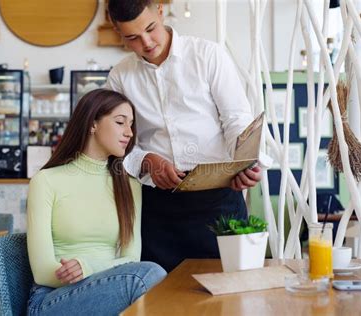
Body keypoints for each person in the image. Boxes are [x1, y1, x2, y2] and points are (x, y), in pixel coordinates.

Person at [106, 0, 264, 272]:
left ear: (159, 10)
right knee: (160, 299)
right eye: (132, 37)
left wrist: (244, 161)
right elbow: (115, 143)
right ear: (117, 32)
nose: (146, 43)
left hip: (220, 199)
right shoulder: (120, 77)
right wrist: (147, 161)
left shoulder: (208, 55)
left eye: (150, 29)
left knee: (227, 298)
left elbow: (236, 119)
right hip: (159, 209)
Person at [26, 89, 166, 316]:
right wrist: (82, 272)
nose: (129, 133)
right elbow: (42, 272)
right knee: (150, 275)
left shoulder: (129, 185)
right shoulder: (46, 181)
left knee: (152, 278)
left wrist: (89, 268)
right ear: (92, 124)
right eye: (120, 122)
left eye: (131, 125)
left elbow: (131, 258)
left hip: (108, 289)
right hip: (52, 300)